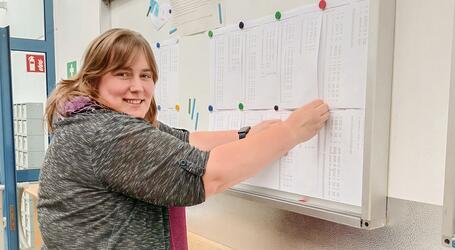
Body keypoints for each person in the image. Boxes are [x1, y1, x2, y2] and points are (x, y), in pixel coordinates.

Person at [37, 28, 329, 249]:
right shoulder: (106, 134)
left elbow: (182, 139)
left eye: (146, 75)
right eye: (123, 74)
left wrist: (245, 135)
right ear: (94, 79)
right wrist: (290, 132)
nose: (138, 87)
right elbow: (209, 175)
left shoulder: (90, 121)